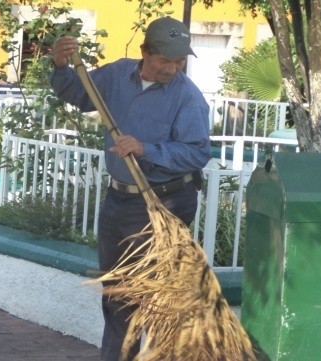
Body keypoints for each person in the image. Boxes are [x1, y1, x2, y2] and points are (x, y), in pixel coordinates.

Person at [50, 16, 210, 361]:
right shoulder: (117, 75)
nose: (172, 67)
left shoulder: (188, 97)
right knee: (117, 294)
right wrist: (61, 65)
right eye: (165, 59)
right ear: (145, 53)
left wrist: (146, 148)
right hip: (119, 200)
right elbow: (77, 92)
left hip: (163, 202)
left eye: (179, 60)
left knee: (153, 296)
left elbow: (198, 153)